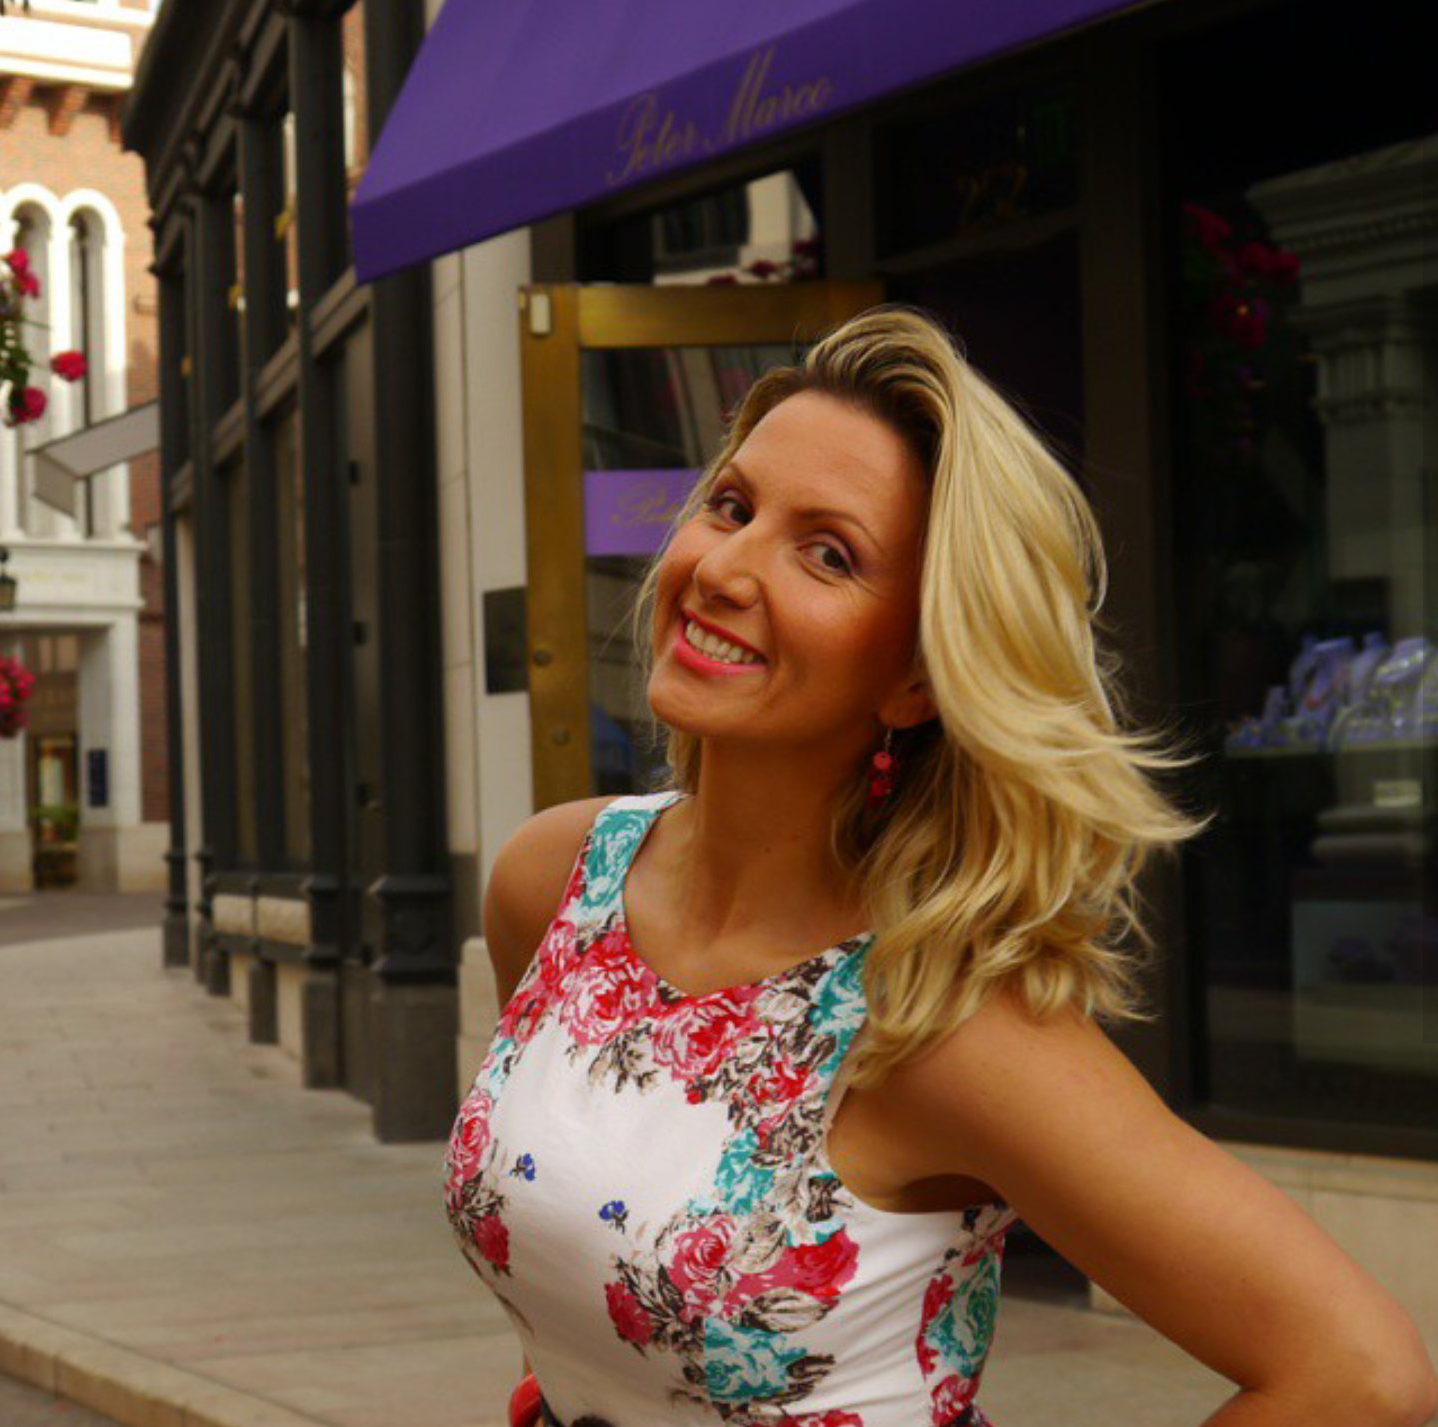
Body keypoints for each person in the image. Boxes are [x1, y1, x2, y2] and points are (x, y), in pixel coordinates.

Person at [445, 306, 1437, 1427]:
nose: (721, 566)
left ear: (916, 675)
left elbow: (1359, 1374)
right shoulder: (553, 878)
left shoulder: (940, 1019)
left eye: (827, 552)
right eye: (730, 505)